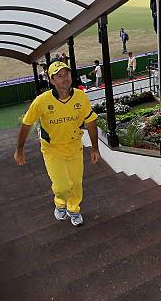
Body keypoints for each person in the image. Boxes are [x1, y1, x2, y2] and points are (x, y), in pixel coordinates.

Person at [14, 61, 100, 227]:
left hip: (75, 147)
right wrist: (19, 149)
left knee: (76, 184)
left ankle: (73, 209)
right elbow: (27, 124)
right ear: (51, 81)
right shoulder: (41, 101)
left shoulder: (80, 97)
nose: (64, 79)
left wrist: (95, 148)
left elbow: (90, 121)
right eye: (59, 76)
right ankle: (60, 203)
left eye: (66, 74)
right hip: (52, 150)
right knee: (62, 185)